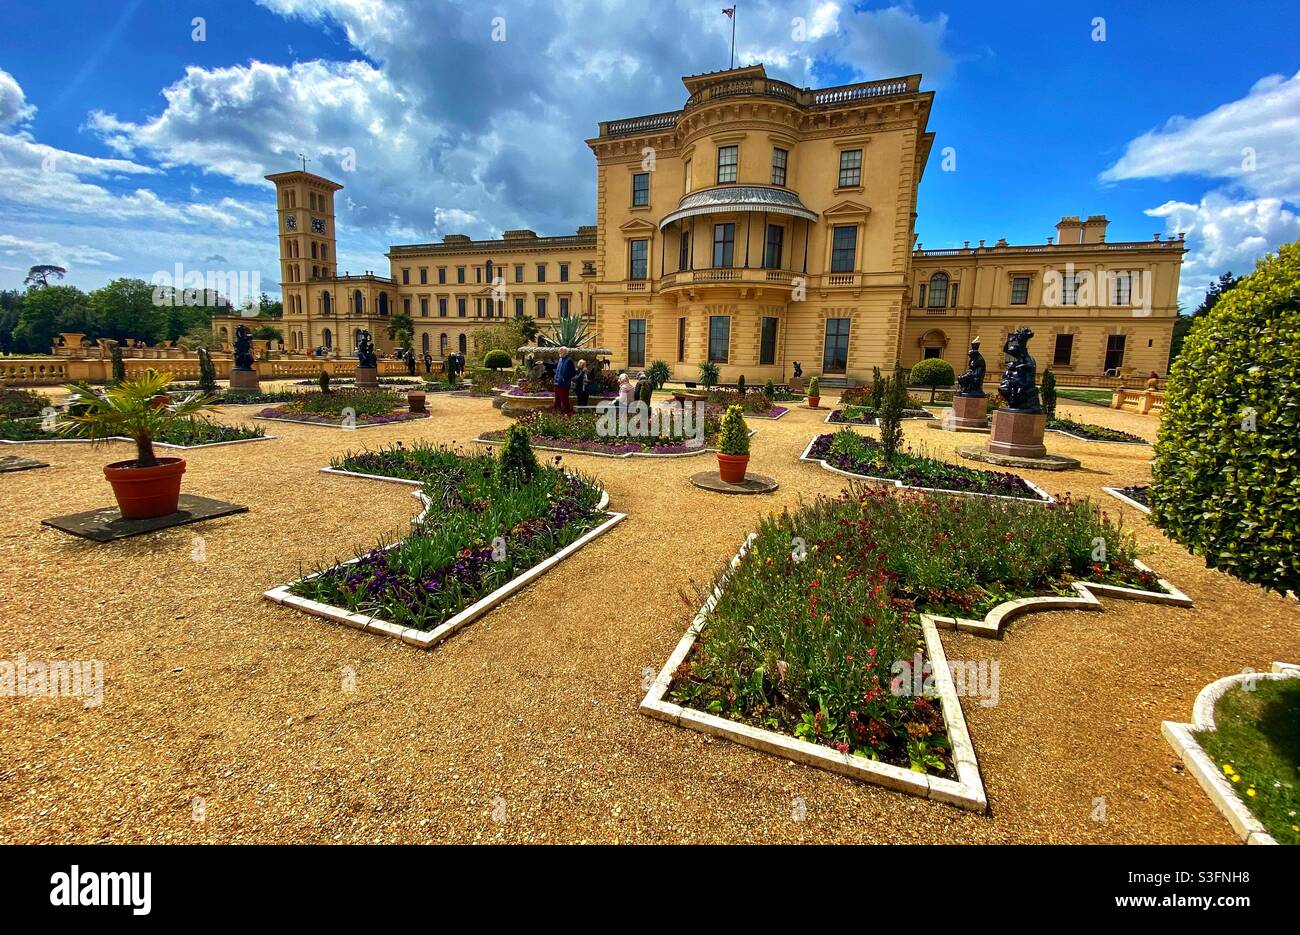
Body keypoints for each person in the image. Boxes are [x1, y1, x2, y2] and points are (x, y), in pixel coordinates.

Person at [552, 346, 576, 415]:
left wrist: (564, 378)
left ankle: (568, 414)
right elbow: (554, 366)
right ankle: (556, 414)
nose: (559, 353)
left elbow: (573, 373)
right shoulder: (560, 359)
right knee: (557, 401)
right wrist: (543, 363)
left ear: (565, 352)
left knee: (565, 400)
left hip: (564, 385)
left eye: (560, 352)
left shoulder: (569, 361)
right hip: (557, 383)